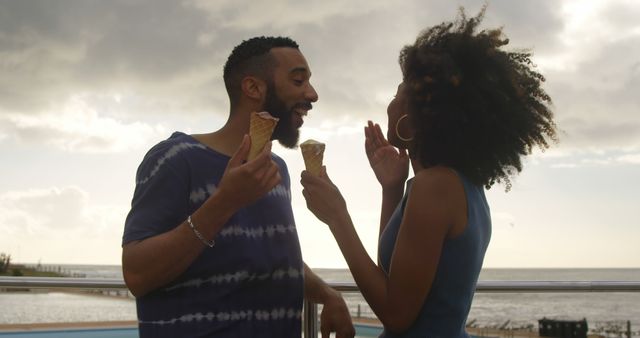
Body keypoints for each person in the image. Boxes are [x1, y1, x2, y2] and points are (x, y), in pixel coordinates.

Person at [300, 9, 558, 338]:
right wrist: (391, 189)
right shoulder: (457, 184)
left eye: (397, 94)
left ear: (416, 114)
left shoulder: (434, 187)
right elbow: (395, 278)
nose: (390, 104)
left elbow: (396, 314)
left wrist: (338, 217)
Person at [122, 36, 355, 338]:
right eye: (298, 81)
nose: (312, 94)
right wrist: (225, 201)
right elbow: (137, 274)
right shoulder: (176, 158)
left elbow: (273, 258)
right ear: (253, 88)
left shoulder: (276, 169)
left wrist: (327, 294)